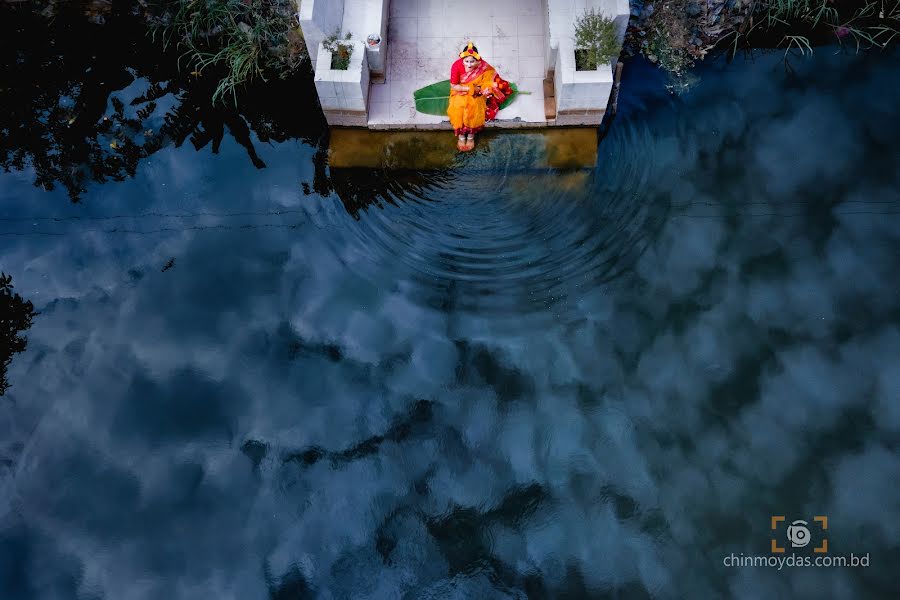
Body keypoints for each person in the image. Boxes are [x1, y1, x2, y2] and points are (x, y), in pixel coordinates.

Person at [447, 42, 510, 152]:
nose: (469, 64)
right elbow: (454, 85)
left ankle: (471, 136)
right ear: (462, 59)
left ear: (477, 59)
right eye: (466, 61)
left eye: (472, 61)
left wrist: (486, 88)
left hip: (478, 92)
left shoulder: (483, 66)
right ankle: (461, 137)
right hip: (460, 90)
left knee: (474, 108)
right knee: (458, 108)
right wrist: (469, 89)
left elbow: (488, 80)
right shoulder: (456, 66)